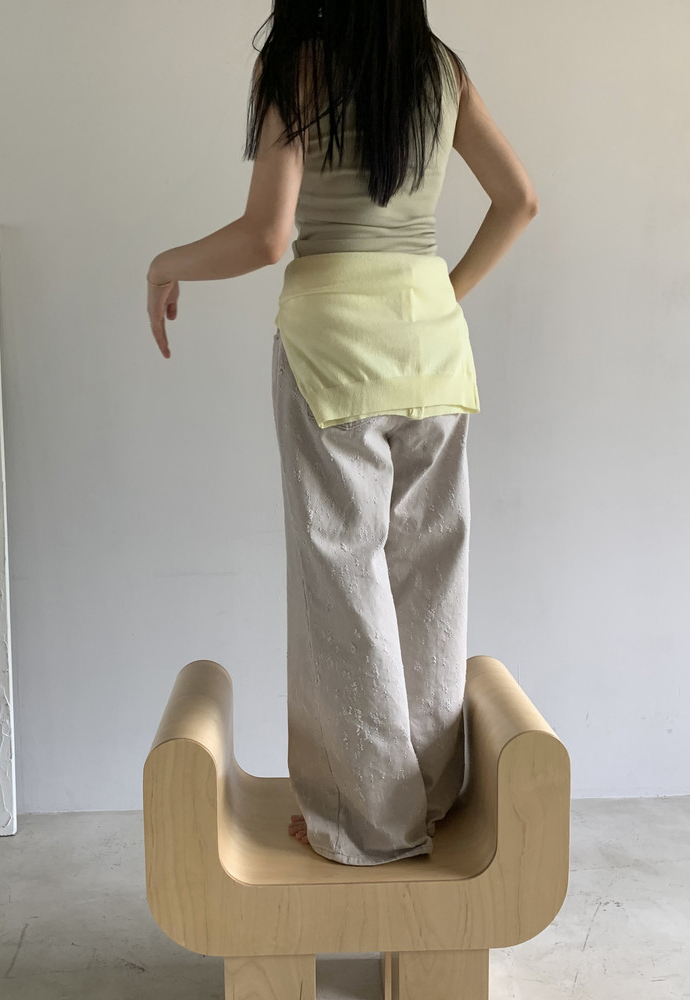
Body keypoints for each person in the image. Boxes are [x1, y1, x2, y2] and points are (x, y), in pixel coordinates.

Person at [146, 1, 538, 866]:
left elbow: (267, 235)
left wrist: (166, 264)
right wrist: (437, 297)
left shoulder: (295, 65)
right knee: (430, 578)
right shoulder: (441, 66)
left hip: (330, 348)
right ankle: (428, 800)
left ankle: (371, 822)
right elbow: (520, 200)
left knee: (343, 582)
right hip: (434, 348)